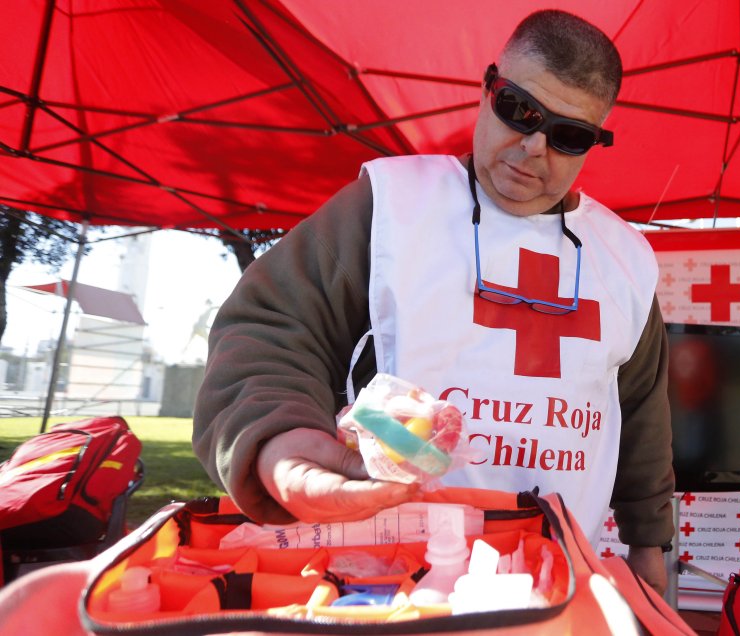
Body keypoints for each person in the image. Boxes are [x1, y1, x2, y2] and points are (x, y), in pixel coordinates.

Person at [193, 9, 674, 594]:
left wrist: (651, 543)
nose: (532, 149)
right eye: (518, 111)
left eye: (569, 136)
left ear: (596, 140)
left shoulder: (625, 259)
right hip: (394, 576)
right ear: (488, 87)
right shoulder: (391, 205)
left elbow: (642, 409)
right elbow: (271, 326)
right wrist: (276, 438)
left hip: (556, 578)